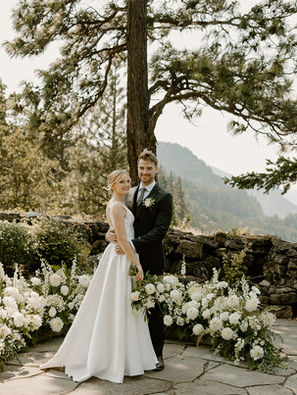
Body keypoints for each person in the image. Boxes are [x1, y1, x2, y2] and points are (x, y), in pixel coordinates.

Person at [40, 170, 158, 383]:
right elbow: (121, 238)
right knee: (119, 305)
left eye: (128, 181)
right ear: (112, 184)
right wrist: (137, 262)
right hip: (123, 258)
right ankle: (113, 359)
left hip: (122, 255)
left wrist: (112, 238)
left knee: (123, 306)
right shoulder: (115, 206)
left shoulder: (116, 204)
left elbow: (115, 233)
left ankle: (128, 358)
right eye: (121, 182)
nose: (126, 184)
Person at [107, 149, 173, 371]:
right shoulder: (130, 192)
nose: (144, 172)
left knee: (153, 308)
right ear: (138, 169)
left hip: (150, 259)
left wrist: (131, 245)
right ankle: (134, 352)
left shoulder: (164, 197)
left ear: (156, 169)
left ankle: (157, 354)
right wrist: (110, 235)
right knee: (128, 306)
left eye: (149, 168)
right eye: (141, 168)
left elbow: (160, 231)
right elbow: (119, 220)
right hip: (127, 259)